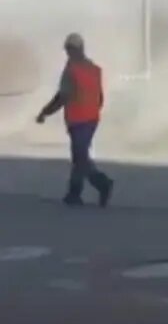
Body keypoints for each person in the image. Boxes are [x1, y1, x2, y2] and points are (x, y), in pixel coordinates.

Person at [36, 33, 113, 208]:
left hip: (78, 120)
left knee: (80, 157)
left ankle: (102, 184)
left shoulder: (72, 70)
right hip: (92, 119)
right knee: (80, 157)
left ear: (72, 49)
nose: (67, 54)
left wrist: (45, 112)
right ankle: (74, 193)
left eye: (68, 50)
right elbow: (100, 98)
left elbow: (62, 97)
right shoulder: (94, 69)